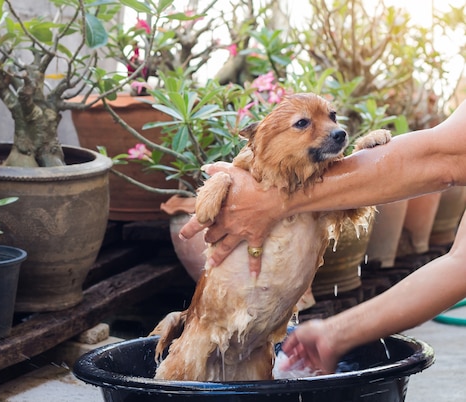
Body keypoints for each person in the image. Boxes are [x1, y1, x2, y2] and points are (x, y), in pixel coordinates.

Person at [179, 99, 466, 374]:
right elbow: (460, 264)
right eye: (303, 123)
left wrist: (276, 201)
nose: (334, 129)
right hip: (208, 337)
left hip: (256, 345)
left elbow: (450, 156)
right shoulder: (254, 163)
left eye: (332, 117)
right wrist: (334, 334)